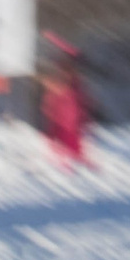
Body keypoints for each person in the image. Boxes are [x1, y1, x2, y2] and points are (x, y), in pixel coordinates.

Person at [37, 35, 93, 168]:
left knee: (67, 131)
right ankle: (65, 159)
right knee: (62, 131)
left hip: (68, 109)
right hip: (65, 107)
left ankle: (69, 159)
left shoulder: (69, 80)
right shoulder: (64, 77)